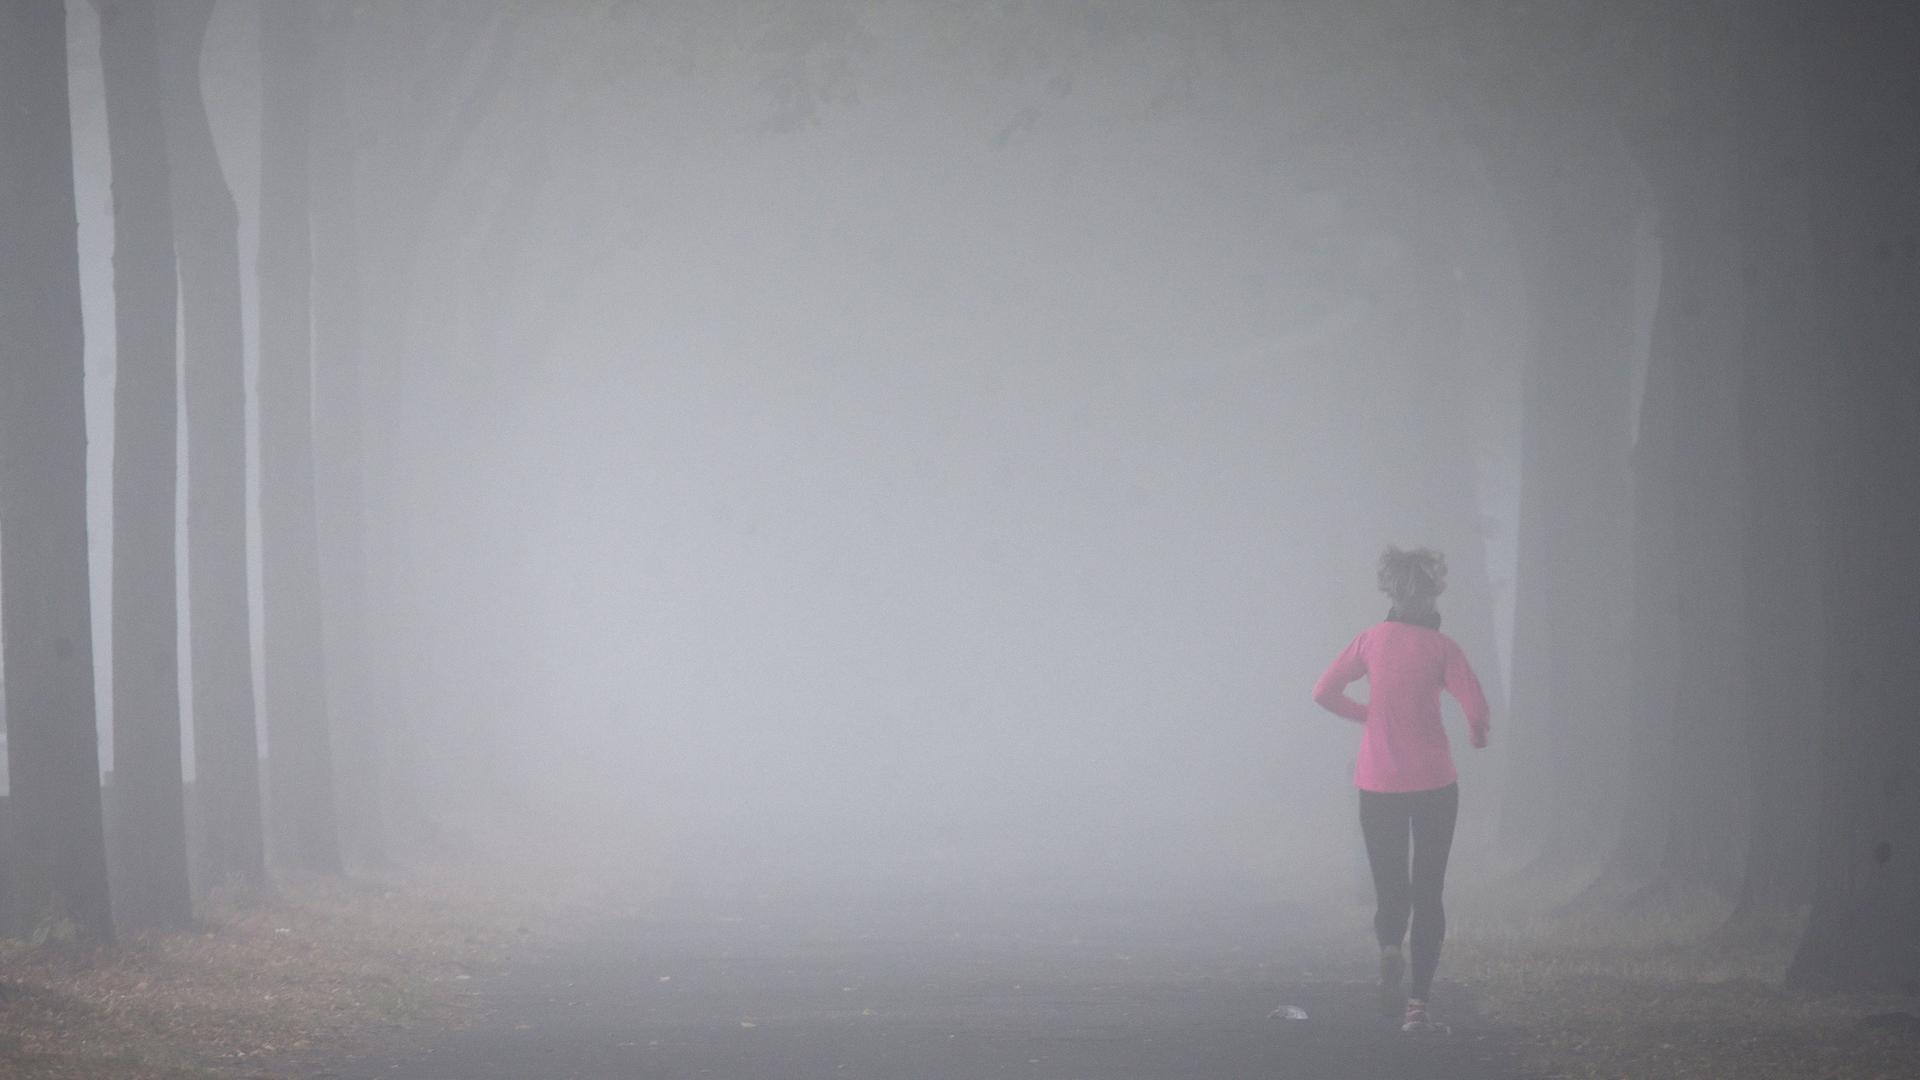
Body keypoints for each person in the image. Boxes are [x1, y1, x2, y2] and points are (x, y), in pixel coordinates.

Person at [1311, 546, 1490, 1034]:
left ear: (1391, 594)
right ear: (1432, 598)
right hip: (1435, 783)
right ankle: (1418, 1008)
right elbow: (1475, 710)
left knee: (1391, 888)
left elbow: (1323, 691)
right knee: (1428, 891)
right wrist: (1477, 736)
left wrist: (1368, 716)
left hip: (1377, 782)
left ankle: (1390, 947)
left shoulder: (1370, 641)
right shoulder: (1444, 648)